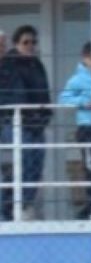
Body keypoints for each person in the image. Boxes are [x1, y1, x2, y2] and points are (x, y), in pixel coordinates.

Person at [0, 25, 52, 220]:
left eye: (33, 42)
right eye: (26, 42)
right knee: (20, 166)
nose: (30, 45)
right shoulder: (7, 63)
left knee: (35, 168)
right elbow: (8, 95)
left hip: (37, 124)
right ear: (16, 44)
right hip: (15, 123)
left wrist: (46, 115)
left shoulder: (37, 64)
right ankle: (8, 210)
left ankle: (24, 206)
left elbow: (44, 93)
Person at [59, 42, 91, 219]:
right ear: (86, 58)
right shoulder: (77, 79)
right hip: (87, 127)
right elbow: (64, 99)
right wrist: (84, 102)